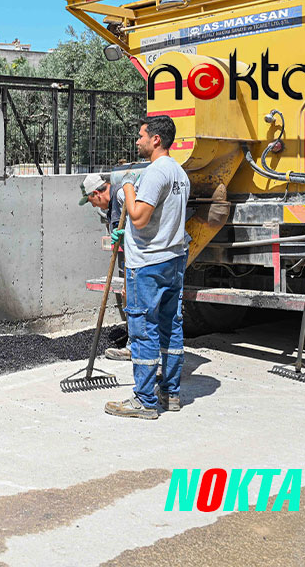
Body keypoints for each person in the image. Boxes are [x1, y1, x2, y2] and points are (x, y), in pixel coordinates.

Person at [105, 115, 189, 420]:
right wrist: (127, 234)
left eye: (141, 136)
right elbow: (161, 219)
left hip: (149, 263)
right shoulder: (180, 173)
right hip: (172, 258)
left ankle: (144, 400)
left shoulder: (155, 173)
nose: (137, 141)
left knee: (143, 329)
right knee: (170, 327)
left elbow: (139, 217)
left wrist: (127, 188)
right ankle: (171, 393)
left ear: (156, 139)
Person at [79, 173, 131, 361]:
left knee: (139, 303)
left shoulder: (121, 194)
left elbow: (141, 215)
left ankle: (143, 348)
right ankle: (134, 344)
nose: (93, 205)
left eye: (91, 200)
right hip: (133, 258)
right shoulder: (111, 206)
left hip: (146, 255)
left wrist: (131, 233)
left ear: (97, 193)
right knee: (130, 299)